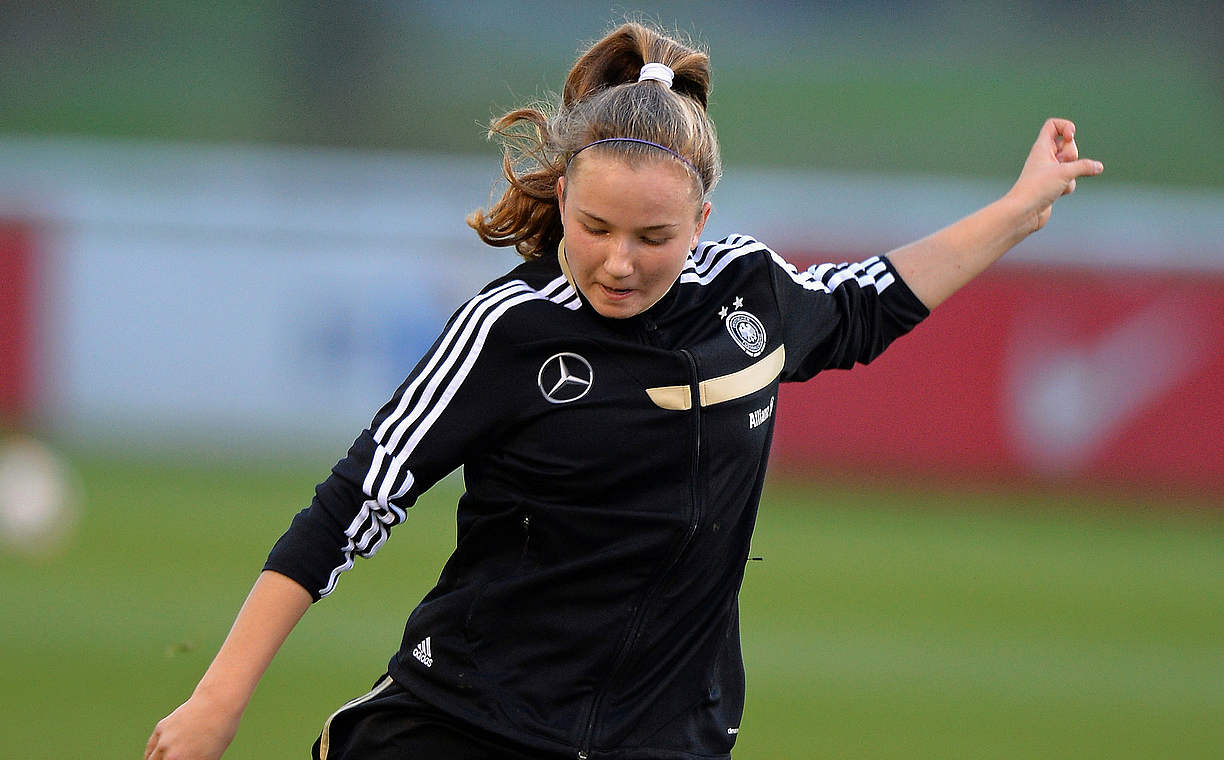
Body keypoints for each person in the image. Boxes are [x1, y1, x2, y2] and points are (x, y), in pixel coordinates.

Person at [144, 21, 1102, 760]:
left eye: (654, 239)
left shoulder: (749, 293)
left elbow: (866, 303)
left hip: (670, 739)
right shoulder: (509, 330)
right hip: (471, 726)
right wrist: (217, 700)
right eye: (596, 225)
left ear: (703, 221)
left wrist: (1020, 212)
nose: (617, 262)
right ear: (561, 195)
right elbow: (350, 507)